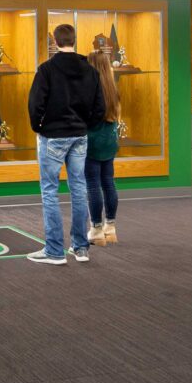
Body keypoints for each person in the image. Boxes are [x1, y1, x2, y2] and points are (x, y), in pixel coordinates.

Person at [26, 24, 105, 265]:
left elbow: (35, 103)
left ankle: (54, 251)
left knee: (50, 191)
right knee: (78, 189)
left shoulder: (47, 69)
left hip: (53, 135)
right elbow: (100, 108)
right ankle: (80, 248)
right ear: (74, 40)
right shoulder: (90, 71)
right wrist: (84, 125)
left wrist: (39, 127)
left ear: (55, 41)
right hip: (79, 135)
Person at [84, 51, 121, 246]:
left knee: (92, 185)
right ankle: (111, 228)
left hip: (92, 142)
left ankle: (96, 229)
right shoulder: (113, 88)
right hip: (109, 142)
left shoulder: (91, 88)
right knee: (108, 183)